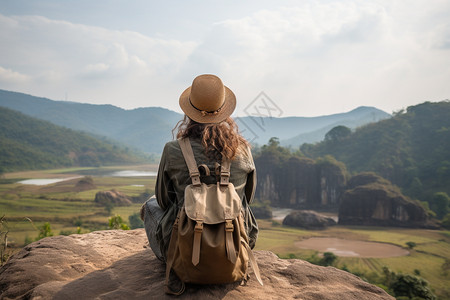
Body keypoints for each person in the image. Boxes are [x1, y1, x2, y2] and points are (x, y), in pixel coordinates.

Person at [141, 74, 258, 263]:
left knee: (151, 204)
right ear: (224, 112)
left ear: (189, 112)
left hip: (183, 249)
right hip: (236, 244)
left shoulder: (173, 149)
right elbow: (248, 199)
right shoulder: (242, 149)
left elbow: (163, 200)